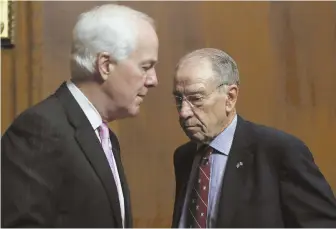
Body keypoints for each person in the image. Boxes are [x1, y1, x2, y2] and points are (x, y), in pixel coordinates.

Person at [1, 4, 158, 228]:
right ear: (105, 65)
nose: (153, 80)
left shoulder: (105, 136)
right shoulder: (40, 129)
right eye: (146, 66)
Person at [171, 48, 336, 228]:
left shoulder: (279, 152)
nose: (183, 112)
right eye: (179, 99)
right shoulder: (184, 157)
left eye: (196, 99)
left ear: (230, 98)